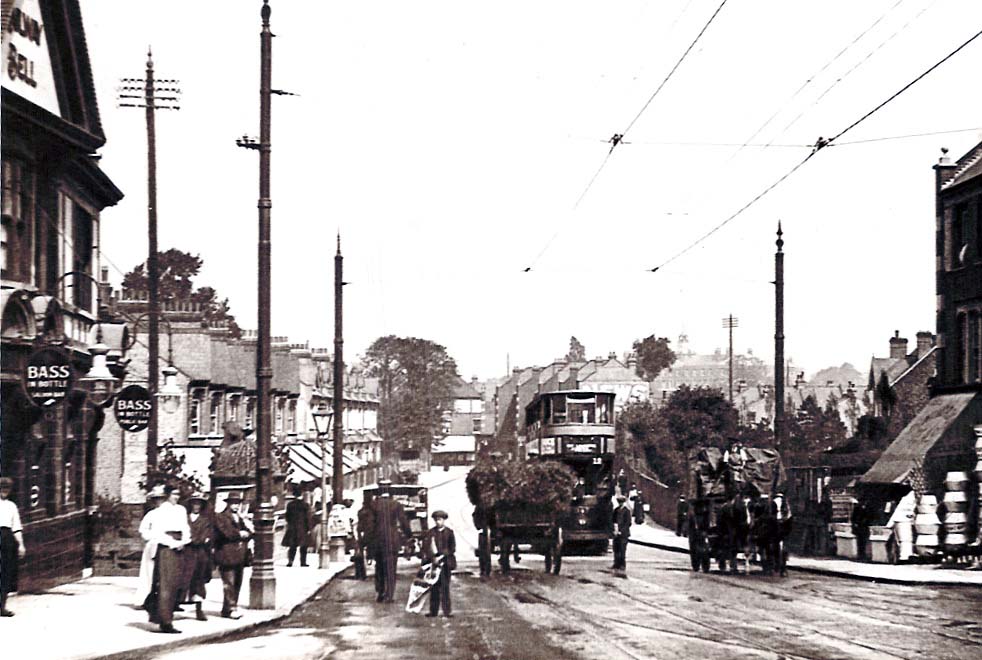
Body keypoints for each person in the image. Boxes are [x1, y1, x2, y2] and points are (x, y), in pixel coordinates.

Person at [139, 484, 190, 634]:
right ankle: (165, 621)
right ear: (167, 495)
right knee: (166, 585)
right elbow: (154, 532)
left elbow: (185, 528)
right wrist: (172, 543)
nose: (177, 497)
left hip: (180, 547)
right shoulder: (158, 512)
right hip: (166, 548)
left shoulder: (181, 510)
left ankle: (164, 614)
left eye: (178, 494)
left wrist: (184, 541)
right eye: (174, 494)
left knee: (177, 584)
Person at [213, 491, 252, 619]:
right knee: (229, 582)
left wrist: (247, 530)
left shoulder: (240, 518)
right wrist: (240, 534)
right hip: (226, 553)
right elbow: (226, 533)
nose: (235, 506)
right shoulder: (220, 517)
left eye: (237, 503)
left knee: (237, 582)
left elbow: (250, 532)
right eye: (233, 503)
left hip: (239, 554)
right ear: (228, 504)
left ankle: (227, 608)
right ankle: (231, 608)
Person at [371, 480, 411, 603]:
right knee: (391, 568)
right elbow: (403, 522)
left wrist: (368, 542)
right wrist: (408, 535)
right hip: (392, 541)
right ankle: (389, 594)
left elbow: (370, 525)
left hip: (378, 540)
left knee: (379, 568)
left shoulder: (373, 505)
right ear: (390, 491)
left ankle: (380, 592)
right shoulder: (396, 504)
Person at [177, 492, 213, 621]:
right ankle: (175, 604)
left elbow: (204, 537)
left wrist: (193, 540)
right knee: (182, 578)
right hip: (185, 554)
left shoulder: (205, 521)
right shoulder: (184, 519)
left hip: (199, 554)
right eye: (194, 503)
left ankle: (199, 609)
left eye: (199, 503)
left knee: (199, 580)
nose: (196, 506)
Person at [422, 510, 456, 617]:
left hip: (445, 564)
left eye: (440, 520)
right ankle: (433, 611)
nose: (438, 522)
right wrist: (432, 558)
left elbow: (452, 548)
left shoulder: (449, 533)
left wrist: (443, 555)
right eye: (436, 520)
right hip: (434, 565)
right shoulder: (430, 533)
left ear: (444, 520)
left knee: (445, 588)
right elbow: (426, 548)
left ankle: (447, 611)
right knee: (434, 588)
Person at [0, 477, 26, 617]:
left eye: (7, 488)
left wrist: (21, 545)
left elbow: (16, 527)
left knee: (5, 572)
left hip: (6, 538)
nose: (4, 491)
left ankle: (1, 607)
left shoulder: (11, 506)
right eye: (2, 488)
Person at [282, 485, 312, 567]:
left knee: (292, 546)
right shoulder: (305, 505)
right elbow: (308, 517)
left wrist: (290, 523)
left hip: (292, 527)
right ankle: (303, 562)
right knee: (303, 546)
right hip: (303, 528)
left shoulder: (290, 505)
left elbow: (287, 516)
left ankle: (290, 561)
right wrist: (309, 528)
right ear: (301, 494)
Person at [354, 501, 374, 580]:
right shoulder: (371, 513)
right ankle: (362, 573)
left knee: (359, 555)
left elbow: (358, 525)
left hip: (361, 534)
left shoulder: (360, 512)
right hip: (369, 534)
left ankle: (360, 574)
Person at [611, 495, 632, 573]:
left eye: (621, 502)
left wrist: (621, 531)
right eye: (619, 502)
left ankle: (622, 564)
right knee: (616, 549)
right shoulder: (616, 510)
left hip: (624, 534)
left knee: (622, 549)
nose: (620, 504)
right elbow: (613, 521)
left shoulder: (627, 511)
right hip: (616, 533)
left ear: (624, 502)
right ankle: (616, 563)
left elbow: (628, 523)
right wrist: (614, 530)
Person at [472, 504, 492, 578]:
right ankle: (484, 569)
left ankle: (485, 569)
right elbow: (476, 517)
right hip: (485, 530)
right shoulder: (481, 506)